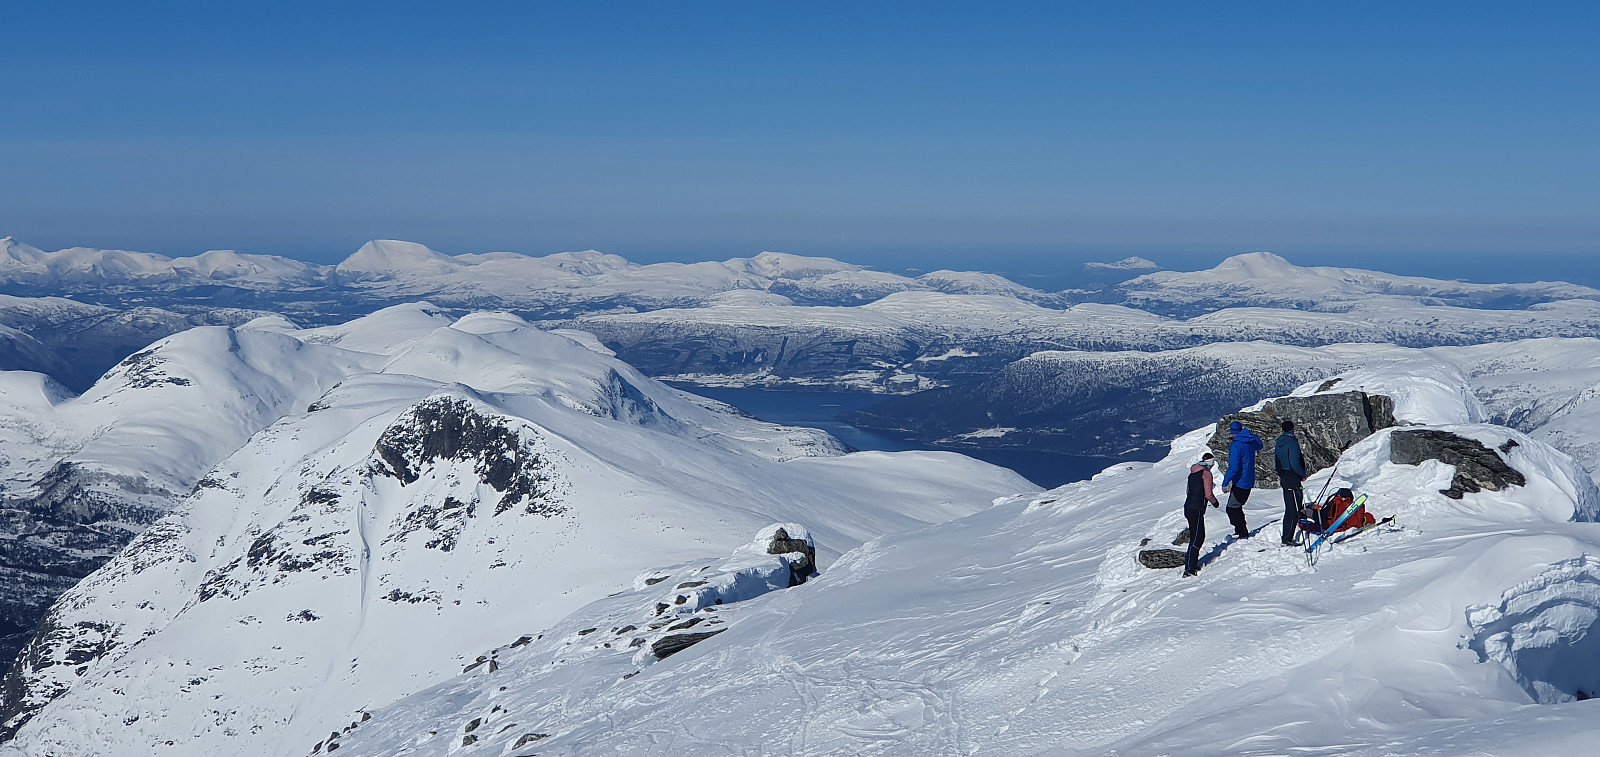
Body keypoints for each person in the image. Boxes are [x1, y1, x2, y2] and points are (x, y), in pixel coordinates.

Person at [1220, 420, 1263, 539]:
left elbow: (1234, 468)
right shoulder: (1249, 442)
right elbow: (1260, 445)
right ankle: (1241, 530)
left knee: (1232, 508)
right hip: (1249, 479)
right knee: (1236, 507)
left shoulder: (1236, 446)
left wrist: (1225, 482)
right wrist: (1252, 435)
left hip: (1240, 481)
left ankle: (1242, 532)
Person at [1183, 452, 1221, 576]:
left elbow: (1188, 491)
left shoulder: (1192, 473)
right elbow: (1208, 494)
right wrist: (1215, 503)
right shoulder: (1206, 473)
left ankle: (1190, 564)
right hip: (1197, 508)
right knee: (1198, 537)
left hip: (1188, 506)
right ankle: (1190, 568)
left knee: (1195, 536)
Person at [1274, 420, 1308, 546]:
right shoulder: (1292, 442)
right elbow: (1295, 463)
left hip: (1284, 476)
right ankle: (1288, 538)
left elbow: (1276, 461)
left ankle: (1286, 536)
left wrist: (1281, 474)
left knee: (1289, 507)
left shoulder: (1279, 441)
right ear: (1292, 429)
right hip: (1293, 476)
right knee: (1294, 508)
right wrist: (1302, 474)